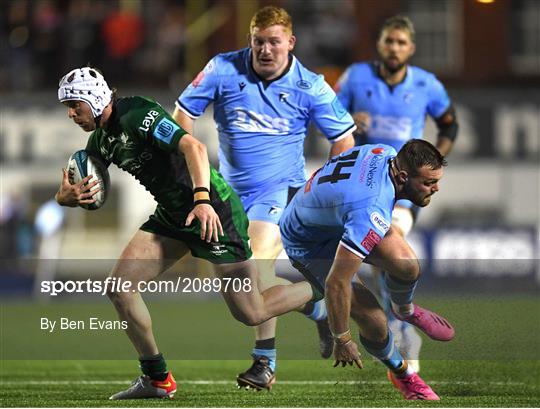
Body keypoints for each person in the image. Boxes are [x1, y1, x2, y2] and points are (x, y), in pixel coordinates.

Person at [55, 66, 319, 400]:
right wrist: (63, 197)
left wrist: (203, 200)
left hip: (214, 212)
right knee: (120, 288)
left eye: (74, 104)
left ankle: (320, 285)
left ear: (93, 98)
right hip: (173, 217)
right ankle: (157, 379)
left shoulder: (137, 113)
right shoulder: (100, 140)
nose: (70, 114)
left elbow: (193, 147)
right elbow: (79, 185)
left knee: (250, 312)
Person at [173, 6, 356, 390]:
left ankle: (264, 362)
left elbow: (344, 139)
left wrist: (325, 190)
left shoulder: (310, 85)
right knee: (241, 291)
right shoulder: (223, 69)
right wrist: (187, 157)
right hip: (229, 195)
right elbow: (182, 114)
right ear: (250, 41)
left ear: (290, 43)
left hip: (280, 191)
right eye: (259, 42)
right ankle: (318, 304)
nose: (266, 50)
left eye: (275, 42)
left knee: (254, 271)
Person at [280, 140, 455, 401]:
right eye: (429, 182)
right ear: (404, 176)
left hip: (336, 217)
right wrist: (342, 339)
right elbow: (337, 283)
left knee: (407, 265)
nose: (436, 188)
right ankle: (405, 376)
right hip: (308, 241)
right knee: (373, 318)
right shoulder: (370, 207)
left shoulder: (384, 152)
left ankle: (404, 310)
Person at [335, 15, 458, 372]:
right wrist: (348, 121)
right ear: (380, 44)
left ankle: (402, 328)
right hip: (364, 186)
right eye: (389, 41)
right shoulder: (356, 77)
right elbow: (329, 118)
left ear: (411, 48)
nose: (394, 48)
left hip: (402, 190)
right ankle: (394, 321)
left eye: (401, 43)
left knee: (392, 240)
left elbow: (450, 123)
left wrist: (434, 162)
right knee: (377, 263)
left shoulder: (427, 84)